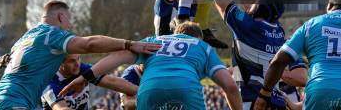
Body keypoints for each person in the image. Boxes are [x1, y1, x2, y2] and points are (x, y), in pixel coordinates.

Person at [0, 0, 160, 110]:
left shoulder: (24, 39)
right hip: (15, 104)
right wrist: (129, 44)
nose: (69, 27)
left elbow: (112, 81)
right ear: (62, 17)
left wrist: (152, 95)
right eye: (69, 20)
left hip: (3, 101)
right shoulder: (50, 35)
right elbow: (89, 44)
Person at [59, 21, 243, 110]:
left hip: (149, 91)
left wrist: (85, 78)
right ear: (198, 38)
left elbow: (118, 56)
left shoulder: (153, 41)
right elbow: (231, 87)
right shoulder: (202, 48)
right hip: (185, 89)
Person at [42, 54, 137, 110]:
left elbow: (112, 81)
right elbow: (62, 109)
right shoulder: (49, 83)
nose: (77, 64)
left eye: (78, 58)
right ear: (59, 63)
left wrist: (145, 93)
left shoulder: (82, 69)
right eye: (71, 61)